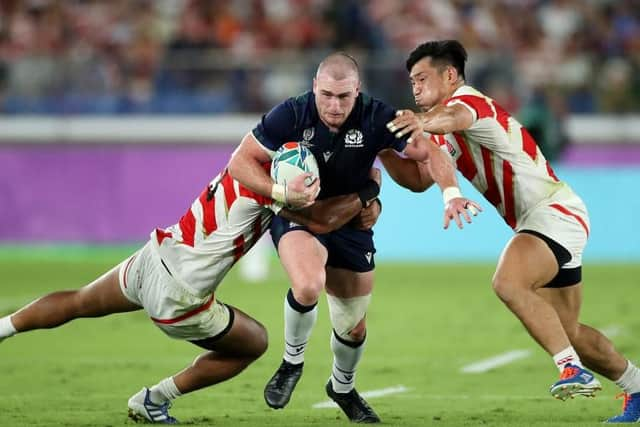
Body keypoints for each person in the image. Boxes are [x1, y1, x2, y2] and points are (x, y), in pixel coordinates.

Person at [0, 162, 384, 425]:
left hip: (153, 256)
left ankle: (4, 327)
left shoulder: (243, 165)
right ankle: (154, 399)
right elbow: (323, 219)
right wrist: (371, 191)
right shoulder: (276, 191)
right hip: (181, 296)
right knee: (254, 344)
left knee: (80, 300)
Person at [385, 39, 640, 423]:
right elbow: (420, 179)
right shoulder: (440, 132)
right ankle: (636, 385)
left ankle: (571, 370)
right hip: (553, 216)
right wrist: (384, 149)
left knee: (508, 282)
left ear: (451, 75)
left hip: (551, 212)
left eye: (422, 78)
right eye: (412, 81)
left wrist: (420, 122)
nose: (415, 87)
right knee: (568, 329)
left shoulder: (469, 103)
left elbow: (452, 117)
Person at [228, 52, 480, 423]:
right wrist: (280, 193)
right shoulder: (292, 114)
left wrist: (450, 192)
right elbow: (239, 163)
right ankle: (290, 364)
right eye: (327, 94)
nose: (334, 105)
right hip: (299, 215)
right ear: (314, 87)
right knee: (308, 286)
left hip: (351, 223)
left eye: (344, 97)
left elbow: (430, 152)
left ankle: (342, 388)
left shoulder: (377, 116)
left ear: (357, 91)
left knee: (353, 326)